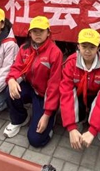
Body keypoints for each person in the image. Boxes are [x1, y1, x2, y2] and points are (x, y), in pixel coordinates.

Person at [4, 16, 63, 147]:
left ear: (48, 33)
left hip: (45, 95)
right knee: (10, 90)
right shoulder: (24, 48)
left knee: (36, 140)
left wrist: (47, 115)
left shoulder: (55, 53)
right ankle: (20, 119)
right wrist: (11, 79)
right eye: (34, 31)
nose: (38, 34)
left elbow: (54, 86)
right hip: (30, 87)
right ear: (29, 33)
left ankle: (51, 120)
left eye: (41, 31)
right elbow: (16, 67)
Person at [60, 28, 100, 149]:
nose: (87, 51)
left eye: (92, 47)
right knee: (74, 99)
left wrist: (93, 130)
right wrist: (71, 127)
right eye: (84, 46)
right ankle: (79, 118)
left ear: (98, 47)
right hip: (80, 95)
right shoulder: (70, 63)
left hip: (96, 96)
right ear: (78, 46)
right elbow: (66, 93)